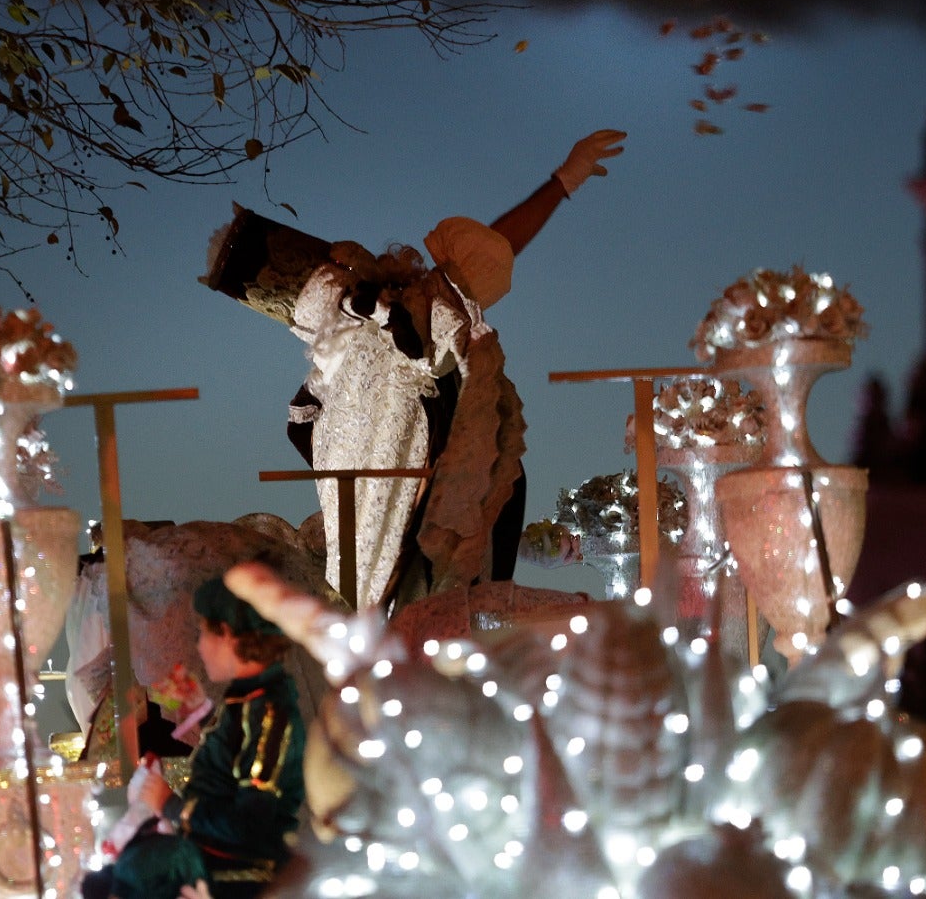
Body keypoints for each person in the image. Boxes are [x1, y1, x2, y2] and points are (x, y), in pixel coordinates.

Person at [285, 129, 627, 611]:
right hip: (411, 519)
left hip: (445, 507)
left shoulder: (412, 322)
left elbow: (486, 256)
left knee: (441, 617)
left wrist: (561, 184)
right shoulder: (369, 342)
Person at [98, 574, 307, 899]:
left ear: (227, 636)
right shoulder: (251, 700)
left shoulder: (268, 714)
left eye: (204, 635)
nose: (199, 647)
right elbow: (232, 762)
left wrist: (170, 806)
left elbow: (249, 826)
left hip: (240, 871)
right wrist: (199, 711)